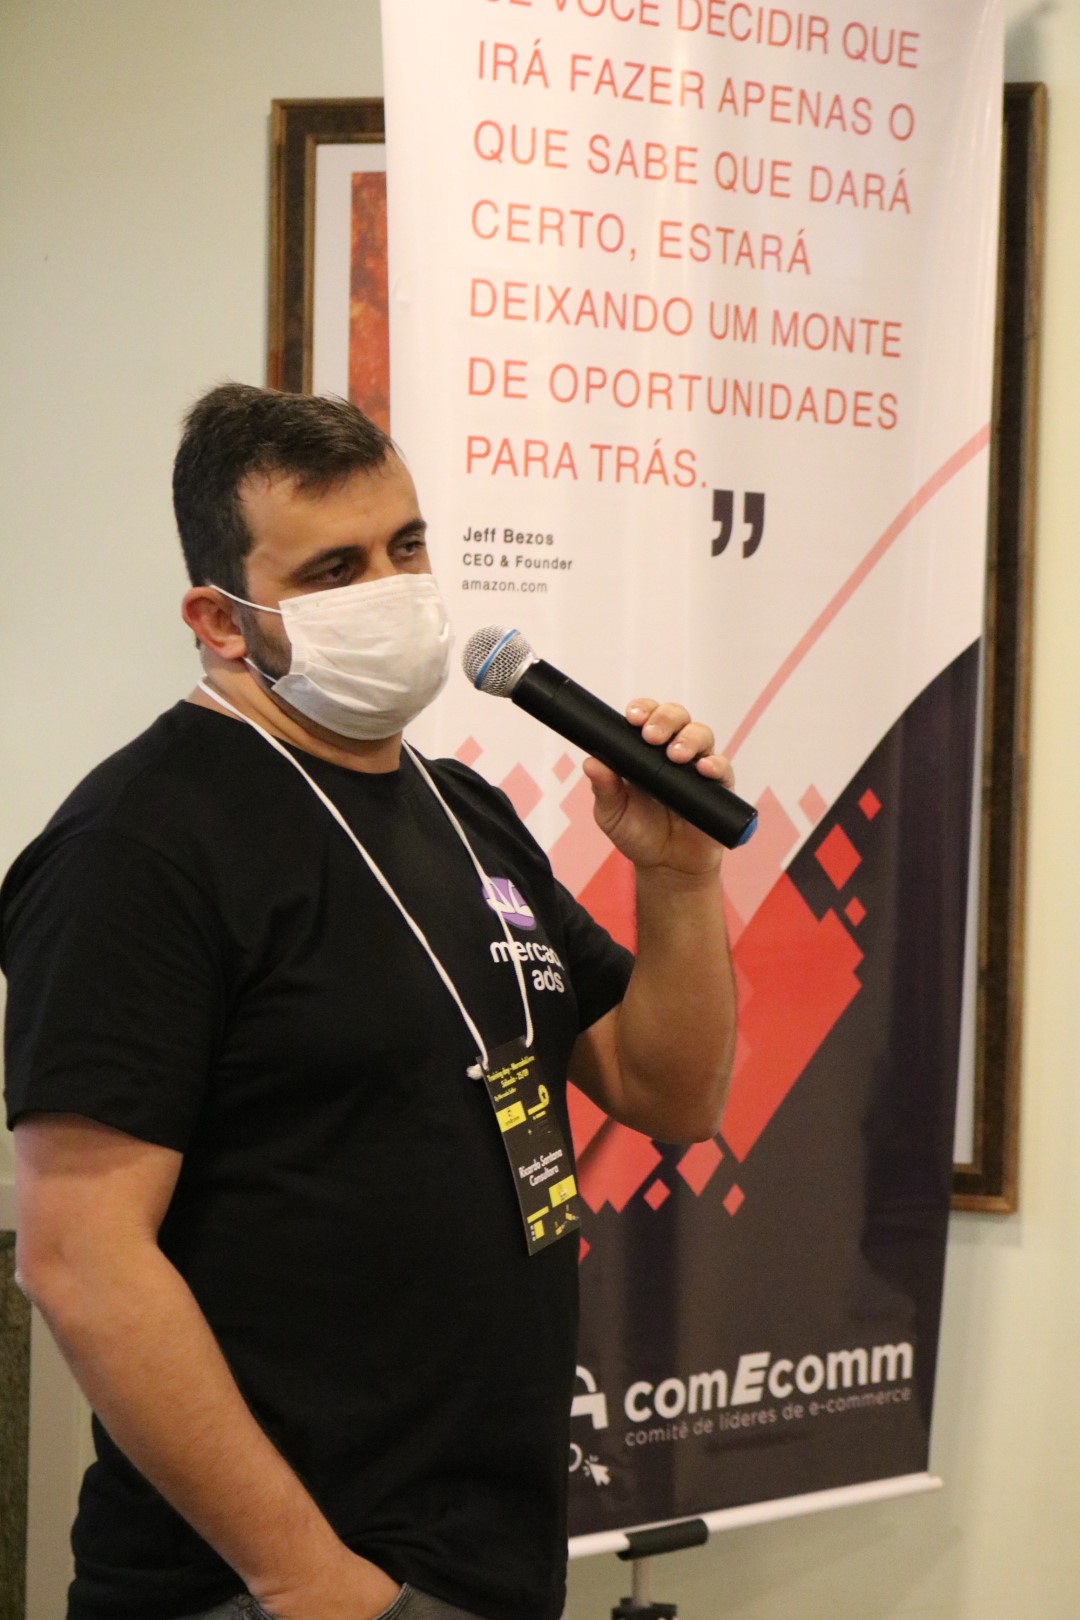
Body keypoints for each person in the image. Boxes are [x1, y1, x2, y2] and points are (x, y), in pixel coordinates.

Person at [2, 384, 737, 1620]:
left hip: (485, 1558)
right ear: (220, 621)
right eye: (335, 570)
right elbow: (79, 1260)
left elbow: (671, 1091)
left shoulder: (463, 809)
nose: (392, 592)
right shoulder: (138, 844)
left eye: (406, 547)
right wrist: (313, 1583)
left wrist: (679, 879)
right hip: (270, 1588)